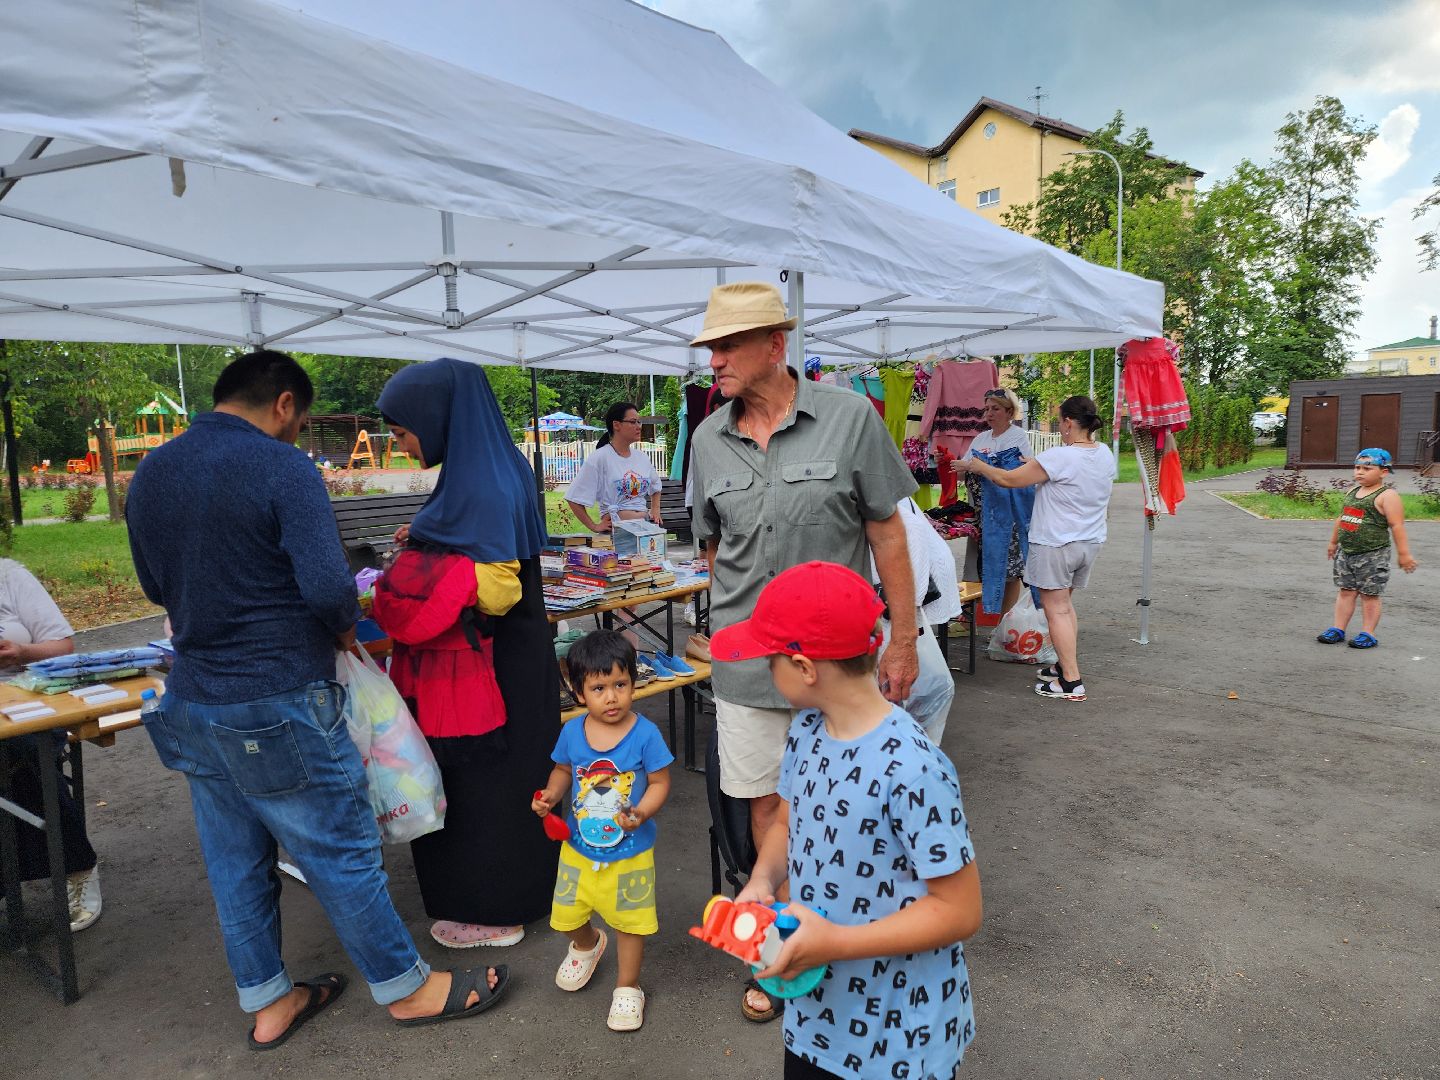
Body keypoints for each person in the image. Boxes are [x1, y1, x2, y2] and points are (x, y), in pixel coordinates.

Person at [126, 350, 508, 1049]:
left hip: (192, 701)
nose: (297, 432)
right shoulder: (282, 468)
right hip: (279, 696)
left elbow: (155, 588)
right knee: (340, 849)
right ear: (283, 404)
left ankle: (269, 1001)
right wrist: (343, 632)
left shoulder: (153, 470)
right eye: (299, 420)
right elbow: (331, 590)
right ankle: (408, 988)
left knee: (236, 861)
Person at [688, 281, 920, 1022]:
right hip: (748, 668)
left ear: (775, 345)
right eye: (711, 348)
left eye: (727, 346)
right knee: (768, 807)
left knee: (844, 807)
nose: (714, 361)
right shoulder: (706, 439)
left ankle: (846, 938)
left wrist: (904, 638)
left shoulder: (850, 418)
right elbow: (714, 549)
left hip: (835, 669)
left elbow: (887, 531)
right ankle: (785, 948)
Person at [711, 561, 982, 1080]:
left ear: (804, 668)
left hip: (900, 1035)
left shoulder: (914, 769)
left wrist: (834, 943)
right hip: (818, 1014)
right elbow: (786, 825)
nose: (766, 668)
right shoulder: (807, 731)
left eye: (769, 658)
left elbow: (960, 909)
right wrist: (763, 880)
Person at [377, 358, 562, 948]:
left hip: (482, 666)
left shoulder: (476, 485)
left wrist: (419, 566)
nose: (401, 444)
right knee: (518, 776)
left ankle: (492, 910)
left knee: (483, 784)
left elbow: (496, 590)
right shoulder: (497, 467)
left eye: (403, 431)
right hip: (517, 657)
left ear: (437, 417)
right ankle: (527, 891)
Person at [531, 630, 673, 1032]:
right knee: (566, 915)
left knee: (630, 923)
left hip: (630, 853)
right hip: (578, 848)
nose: (611, 697)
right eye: (598, 688)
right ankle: (588, 943)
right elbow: (562, 770)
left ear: (633, 683)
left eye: (620, 684)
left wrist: (642, 812)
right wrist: (550, 794)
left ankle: (628, 986)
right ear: (578, 692)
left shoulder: (645, 734)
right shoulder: (572, 731)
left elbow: (660, 782)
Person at [957, 395, 1113, 702]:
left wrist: (980, 466)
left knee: (1057, 610)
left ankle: (1071, 681)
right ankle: (1063, 666)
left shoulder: (1060, 456)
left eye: (1060, 421)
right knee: (1064, 607)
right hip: (1088, 542)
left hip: (1056, 544)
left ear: (1068, 422)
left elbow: (1008, 479)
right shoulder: (1104, 453)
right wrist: (1032, 465)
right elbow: (1062, 475)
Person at [0, 560, 100, 931]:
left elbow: (63, 646)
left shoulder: (8, 576)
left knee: (25, 751)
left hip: (28, 700)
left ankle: (77, 865)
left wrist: (20, 652)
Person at [871, 498, 962, 743]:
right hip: (896, 603)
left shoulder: (896, 517)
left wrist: (904, 636)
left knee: (895, 686)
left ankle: (909, 748)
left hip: (894, 605)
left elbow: (908, 534)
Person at [1317, 448, 1419, 649]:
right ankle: (1338, 629)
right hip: (1347, 552)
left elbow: (1397, 525)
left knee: (1369, 594)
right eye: (1357, 468)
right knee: (1346, 591)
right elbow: (1342, 518)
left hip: (1373, 555)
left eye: (1367, 468)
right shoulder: (1352, 492)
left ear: (1384, 472)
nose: (1360, 472)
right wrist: (1333, 542)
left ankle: (1368, 633)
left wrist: (1404, 554)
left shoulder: (1387, 495)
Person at [955, 388, 1034, 617]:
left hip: (1008, 514)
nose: (988, 413)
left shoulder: (1017, 436)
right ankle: (982, 617)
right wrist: (952, 464)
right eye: (987, 408)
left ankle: (1005, 621)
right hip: (983, 514)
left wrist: (981, 466)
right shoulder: (981, 438)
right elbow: (963, 473)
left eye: (995, 409)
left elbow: (1023, 471)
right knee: (984, 566)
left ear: (1009, 412)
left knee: (1010, 569)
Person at [565, 402, 663, 544]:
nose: (638, 426)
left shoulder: (642, 457)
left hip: (644, 530)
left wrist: (655, 509)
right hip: (617, 533)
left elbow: (656, 486)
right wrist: (594, 526)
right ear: (616, 425)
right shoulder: (600, 457)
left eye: (639, 422)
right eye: (633, 422)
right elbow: (573, 497)